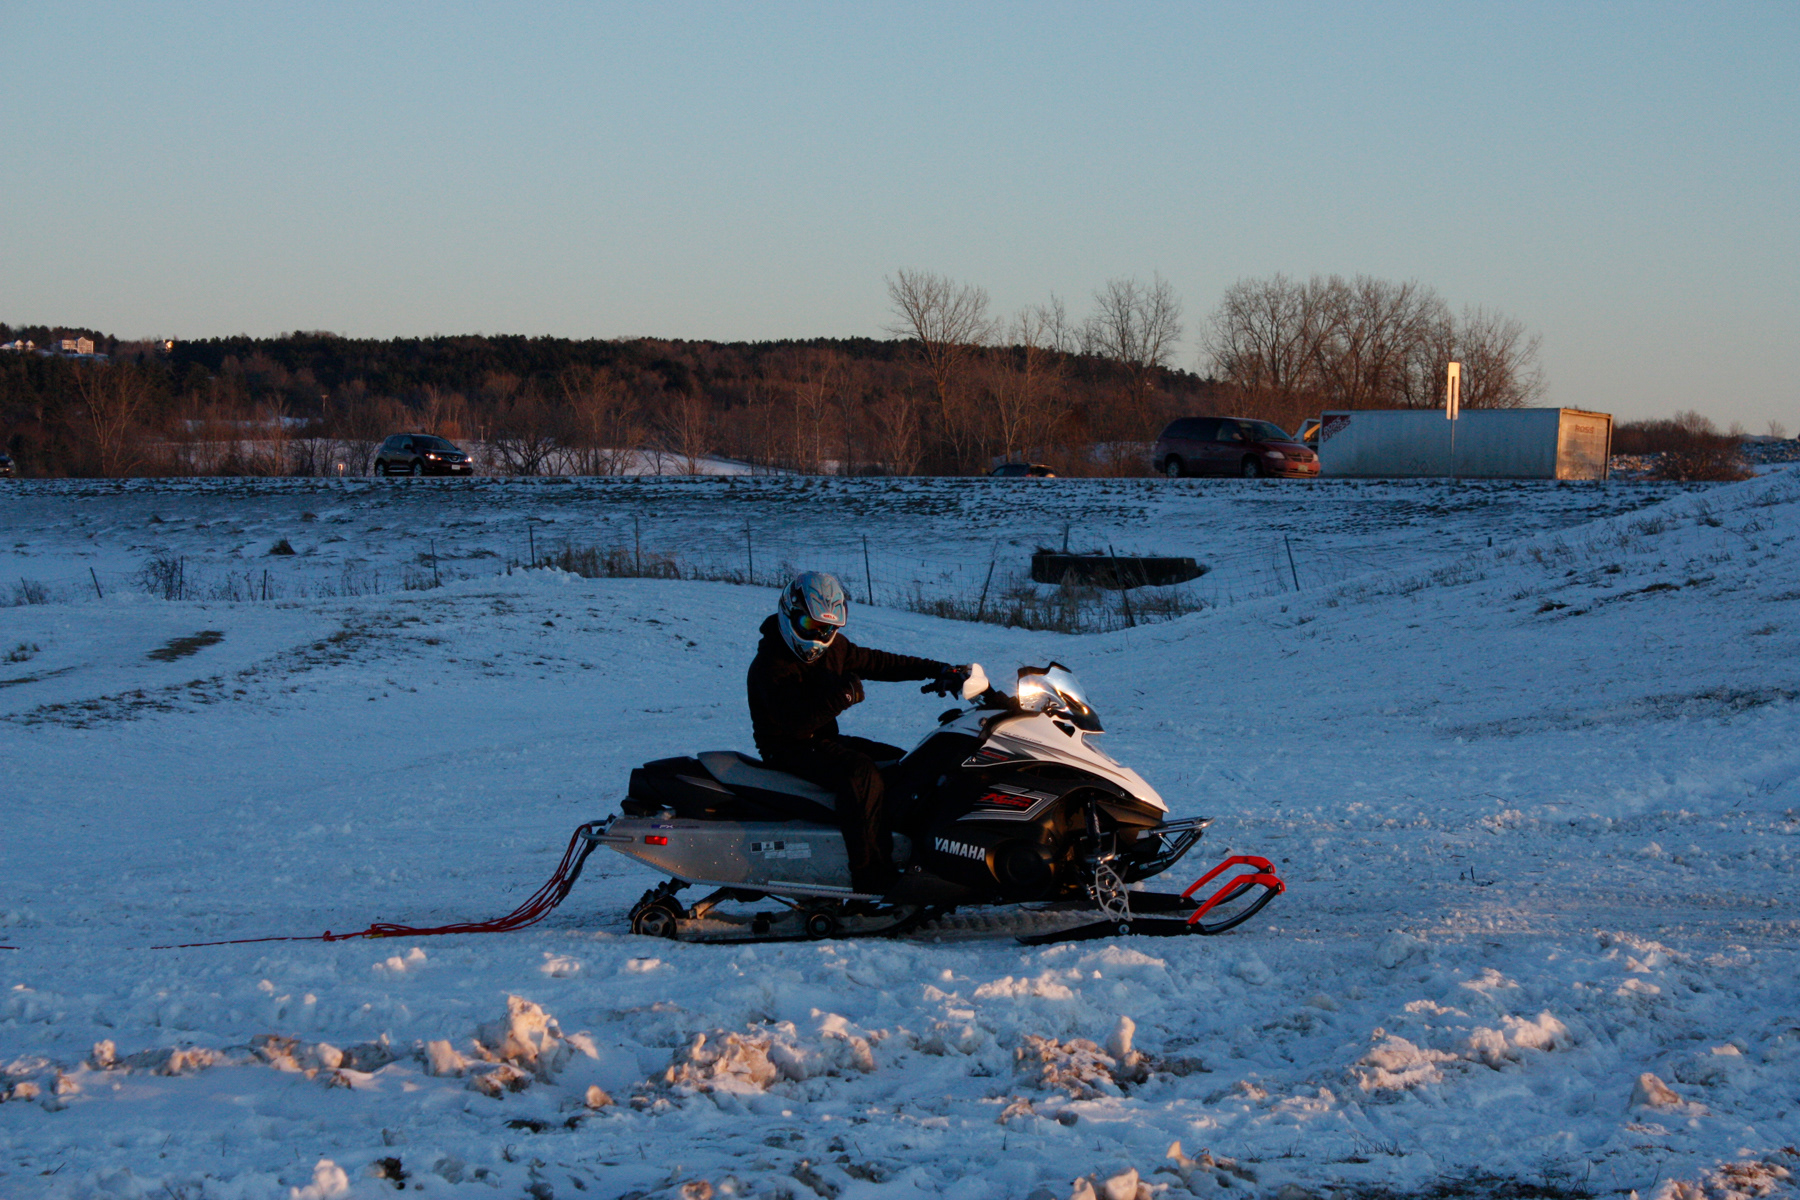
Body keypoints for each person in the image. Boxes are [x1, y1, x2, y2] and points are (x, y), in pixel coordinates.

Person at [746, 571, 962, 897]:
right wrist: (840, 697)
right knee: (860, 772)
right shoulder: (770, 663)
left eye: (827, 629)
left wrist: (939, 669)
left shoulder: (834, 648)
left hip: (821, 740)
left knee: (906, 762)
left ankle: (907, 851)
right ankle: (869, 876)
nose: (819, 636)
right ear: (789, 614)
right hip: (787, 747)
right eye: (809, 625)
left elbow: (880, 662)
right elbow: (795, 725)